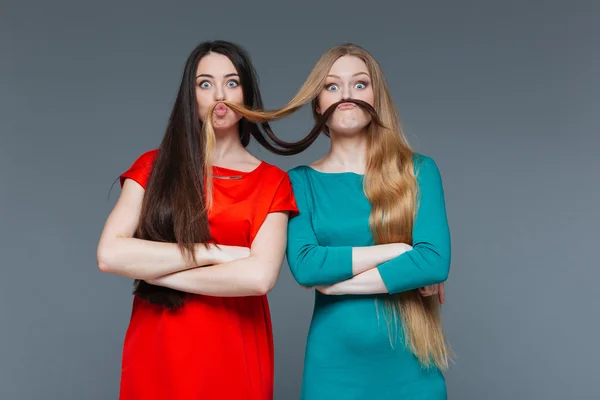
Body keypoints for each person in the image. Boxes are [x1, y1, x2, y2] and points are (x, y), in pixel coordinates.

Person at [215, 43, 451, 399]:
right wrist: (397, 252)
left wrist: (337, 284)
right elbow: (308, 267)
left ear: (377, 96)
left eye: (359, 84)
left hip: (411, 368)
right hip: (333, 373)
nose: (346, 95)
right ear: (317, 104)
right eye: (331, 86)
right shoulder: (297, 182)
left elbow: (434, 260)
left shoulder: (419, 172)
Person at [96, 40, 301, 400]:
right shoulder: (153, 166)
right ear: (190, 97)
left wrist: (153, 268)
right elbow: (110, 255)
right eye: (205, 84)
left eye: (232, 82)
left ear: (247, 93)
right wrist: (214, 252)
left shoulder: (273, 182)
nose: (219, 94)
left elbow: (258, 277)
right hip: (158, 348)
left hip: (234, 350)